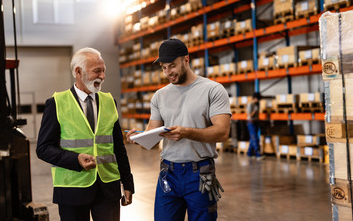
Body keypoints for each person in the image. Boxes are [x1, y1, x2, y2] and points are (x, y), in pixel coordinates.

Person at [126, 38, 231, 221]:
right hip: (169, 174)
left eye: (172, 66)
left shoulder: (212, 90)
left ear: (186, 60)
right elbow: (153, 133)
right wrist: (139, 137)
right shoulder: (160, 96)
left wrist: (187, 132)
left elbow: (222, 132)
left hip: (200, 174)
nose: (168, 72)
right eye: (163, 67)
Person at [36, 47, 134, 221]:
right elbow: (43, 148)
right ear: (78, 72)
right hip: (72, 190)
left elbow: (118, 147)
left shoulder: (109, 101)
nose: (102, 76)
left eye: (104, 71)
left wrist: (128, 183)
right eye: (97, 71)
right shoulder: (57, 103)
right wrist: (76, 160)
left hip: (108, 189)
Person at [246, 92, 264, 160]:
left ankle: (249, 153)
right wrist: (255, 110)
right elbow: (250, 115)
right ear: (255, 98)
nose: (258, 100)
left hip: (256, 122)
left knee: (252, 139)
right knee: (255, 138)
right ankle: (258, 154)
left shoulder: (256, 104)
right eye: (258, 99)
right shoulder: (250, 104)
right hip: (251, 123)